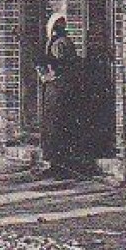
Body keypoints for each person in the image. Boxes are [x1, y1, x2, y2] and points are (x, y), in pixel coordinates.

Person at [37, 12, 85, 177]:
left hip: (60, 88)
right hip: (57, 88)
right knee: (54, 125)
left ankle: (59, 163)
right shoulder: (57, 43)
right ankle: (55, 162)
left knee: (58, 124)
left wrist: (48, 72)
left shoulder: (61, 44)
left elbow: (61, 66)